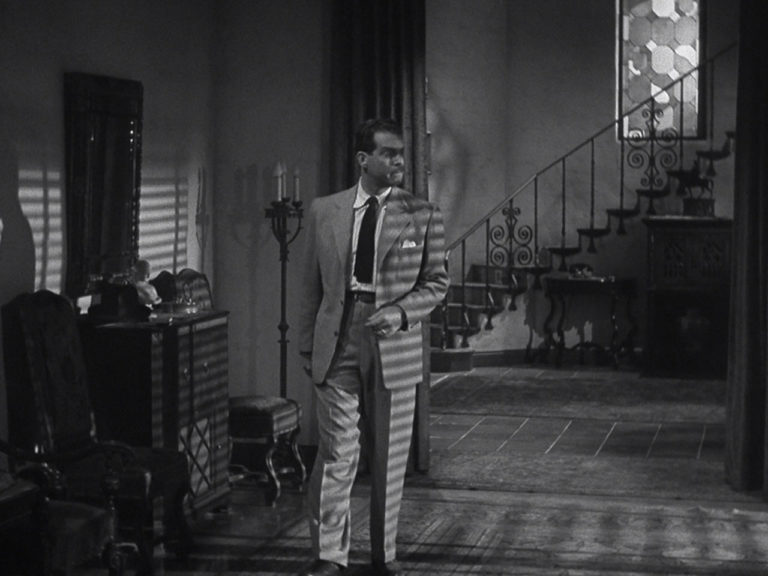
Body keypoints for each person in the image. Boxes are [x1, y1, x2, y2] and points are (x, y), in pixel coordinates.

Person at [297, 118, 449, 576]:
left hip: (393, 343)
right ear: (364, 159)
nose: (399, 160)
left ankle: (384, 555)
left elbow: (436, 283)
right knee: (337, 452)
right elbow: (310, 285)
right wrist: (307, 346)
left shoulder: (423, 213)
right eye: (388, 153)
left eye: (401, 153)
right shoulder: (324, 210)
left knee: (388, 458)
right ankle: (329, 555)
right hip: (337, 339)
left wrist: (400, 313)